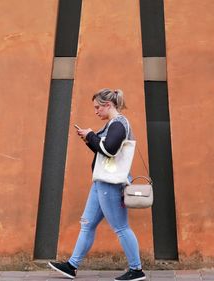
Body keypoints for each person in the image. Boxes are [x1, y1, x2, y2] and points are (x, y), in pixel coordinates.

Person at [48, 88, 145, 281]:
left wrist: (91, 134)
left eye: (98, 107)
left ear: (108, 105)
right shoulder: (113, 124)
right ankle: (71, 266)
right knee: (87, 224)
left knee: (120, 227)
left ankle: (136, 270)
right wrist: (88, 138)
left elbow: (109, 150)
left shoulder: (119, 124)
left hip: (110, 184)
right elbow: (101, 149)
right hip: (101, 182)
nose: (96, 111)